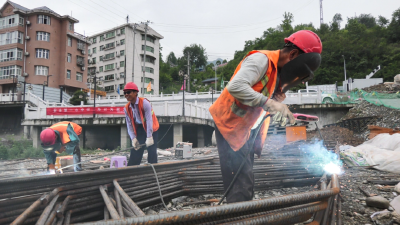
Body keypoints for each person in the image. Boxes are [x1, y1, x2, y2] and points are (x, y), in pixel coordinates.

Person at [209, 30, 322, 203]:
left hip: (244, 128)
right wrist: (270, 103)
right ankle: (237, 216)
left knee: (244, 178)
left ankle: (239, 211)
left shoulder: (275, 72)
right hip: (229, 124)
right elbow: (236, 87)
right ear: (293, 54)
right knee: (240, 181)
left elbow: (262, 98)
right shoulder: (261, 60)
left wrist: (277, 105)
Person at [123, 82, 160, 166]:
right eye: (125, 93)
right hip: (139, 127)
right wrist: (133, 138)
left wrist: (149, 136)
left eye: (128, 92)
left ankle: (153, 170)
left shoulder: (145, 103)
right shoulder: (126, 108)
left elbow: (149, 120)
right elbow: (129, 125)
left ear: (135, 93)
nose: (126, 94)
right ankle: (131, 170)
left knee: (151, 150)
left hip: (151, 127)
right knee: (136, 150)